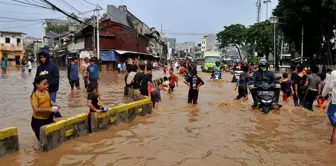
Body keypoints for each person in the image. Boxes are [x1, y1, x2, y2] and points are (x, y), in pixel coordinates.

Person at [30, 75, 58, 140]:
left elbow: (49, 100)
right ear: (37, 85)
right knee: (42, 141)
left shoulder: (46, 91)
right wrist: (49, 109)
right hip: (38, 121)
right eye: (44, 84)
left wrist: (54, 105)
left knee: (52, 138)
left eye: (47, 84)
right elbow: (35, 109)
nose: (46, 85)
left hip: (48, 118)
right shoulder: (34, 95)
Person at [322, 70, 336, 144]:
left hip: (335, 101)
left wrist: (323, 94)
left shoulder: (334, 73)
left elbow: (329, 86)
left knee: (335, 130)